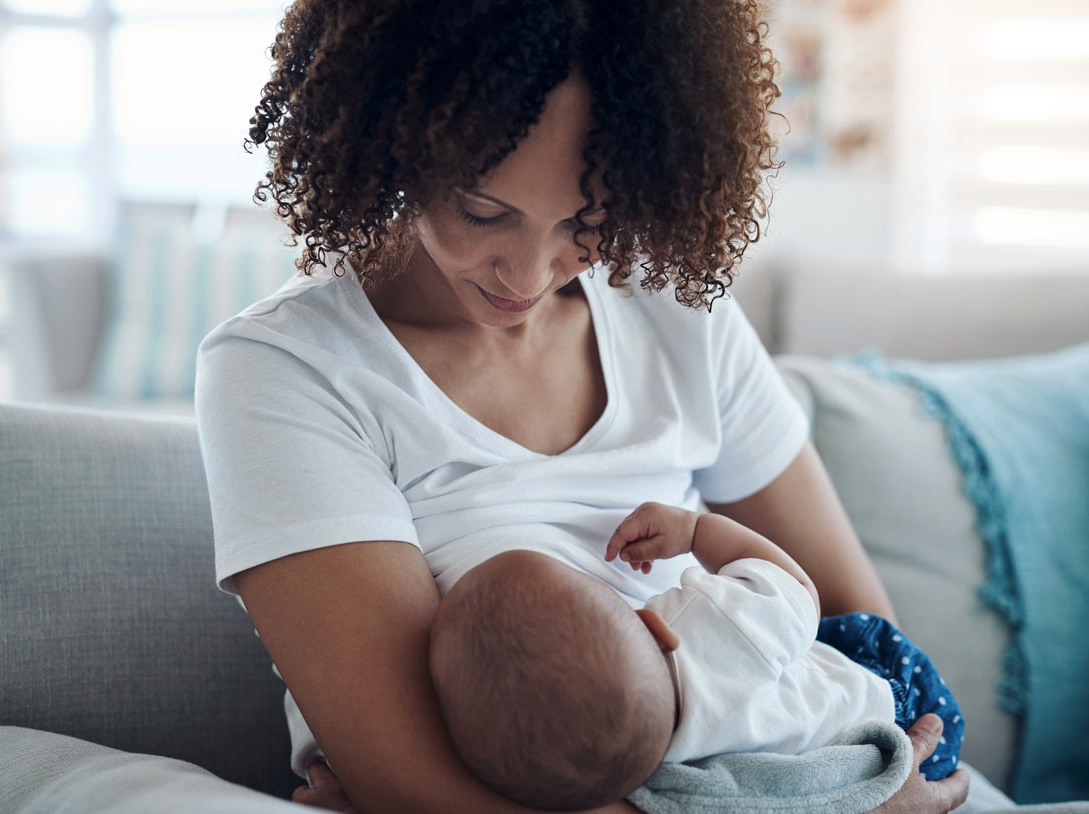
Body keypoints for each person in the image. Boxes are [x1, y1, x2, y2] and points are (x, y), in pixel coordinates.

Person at [194, 1, 972, 812]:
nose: (528, 276)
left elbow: (868, 642)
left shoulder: (677, 313)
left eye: (587, 222)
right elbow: (417, 786)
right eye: (483, 212)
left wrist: (852, 786)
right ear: (388, 135)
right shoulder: (287, 369)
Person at [427, 502, 964, 811]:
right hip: (895, 702)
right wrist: (698, 531)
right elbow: (797, 590)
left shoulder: (647, 779)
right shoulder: (709, 624)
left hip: (856, 770)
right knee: (840, 633)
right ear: (655, 626)